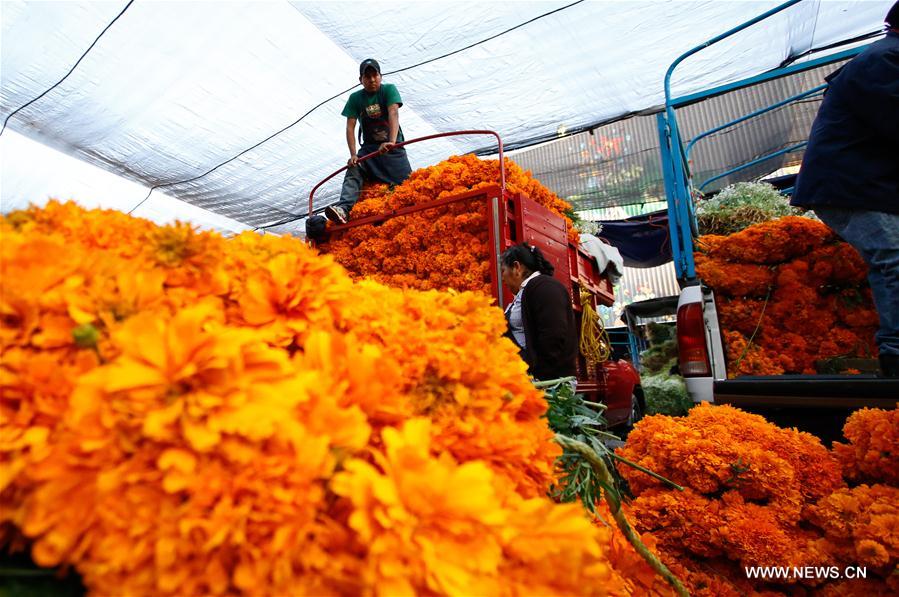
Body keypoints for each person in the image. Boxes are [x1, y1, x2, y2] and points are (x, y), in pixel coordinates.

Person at [790, 2, 899, 378]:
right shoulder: (885, 60)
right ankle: (895, 353)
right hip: (849, 188)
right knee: (894, 257)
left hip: (866, 186)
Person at [324, 59, 413, 224]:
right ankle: (344, 209)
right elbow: (350, 126)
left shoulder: (389, 90)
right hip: (370, 150)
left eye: (375, 75)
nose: (372, 80)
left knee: (410, 187)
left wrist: (392, 142)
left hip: (393, 149)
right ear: (360, 80)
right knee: (354, 167)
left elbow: (393, 112)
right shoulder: (355, 98)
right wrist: (352, 155)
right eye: (367, 77)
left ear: (381, 76)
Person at [500, 243, 578, 382]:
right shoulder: (528, 290)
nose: (502, 277)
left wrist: (538, 375)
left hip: (549, 384)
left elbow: (553, 335)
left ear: (517, 267)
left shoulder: (544, 287)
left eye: (503, 271)